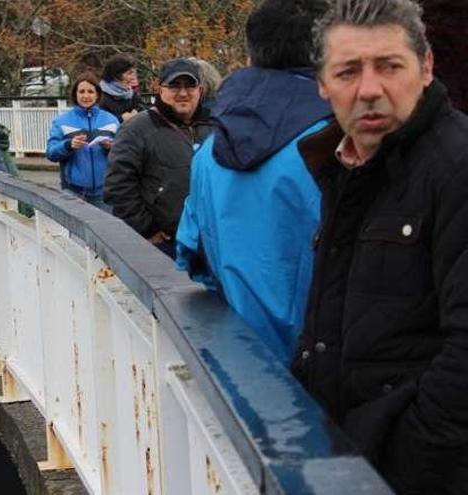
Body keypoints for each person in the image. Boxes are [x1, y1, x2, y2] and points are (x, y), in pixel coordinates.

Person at [291, 0, 468, 492]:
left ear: (426, 66)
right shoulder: (348, 167)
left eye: (390, 66)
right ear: (323, 84)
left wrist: (401, 456)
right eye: (348, 71)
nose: (370, 90)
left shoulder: (455, 168)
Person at [174, 0, 331, 362]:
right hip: (328, 369)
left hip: (244, 359)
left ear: (251, 54)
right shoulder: (344, 142)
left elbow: (191, 251)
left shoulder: (210, 151)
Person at [104, 58, 212, 257]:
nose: (183, 93)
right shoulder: (137, 129)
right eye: (174, 86)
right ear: (160, 90)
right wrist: (146, 229)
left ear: (200, 90)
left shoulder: (214, 126)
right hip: (166, 244)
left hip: (210, 243)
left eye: (190, 86)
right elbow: (118, 186)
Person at [46, 72, 119, 208]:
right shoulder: (62, 121)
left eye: (90, 91)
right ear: (75, 94)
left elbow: (124, 153)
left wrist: (112, 147)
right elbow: (51, 152)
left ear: (97, 94)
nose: (86, 96)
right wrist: (68, 145)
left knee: (103, 229)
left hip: (104, 192)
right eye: (81, 92)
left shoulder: (111, 120)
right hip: (73, 191)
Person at [98, 54, 147, 122]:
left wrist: (136, 111)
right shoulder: (101, 96)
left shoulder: (130, 92)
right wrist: (121, 118)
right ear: (116, 76)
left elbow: (143, 107)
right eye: (129, 73)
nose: (132, 77)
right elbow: (100, 120)